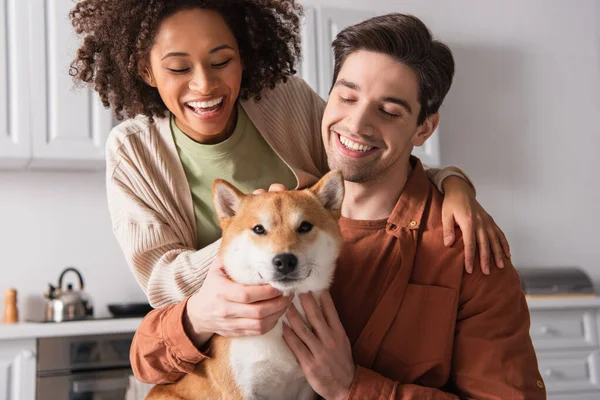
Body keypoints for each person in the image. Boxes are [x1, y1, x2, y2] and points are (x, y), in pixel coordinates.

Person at [69, 0, 511, 380]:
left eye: (222, 61)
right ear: (146, 69)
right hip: (223, 343)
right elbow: (162, 287)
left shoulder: (284, 99)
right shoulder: (133, 150)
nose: (203, 84)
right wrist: (253, 225)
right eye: (179, 67)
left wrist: (451, 182)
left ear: (244, 55)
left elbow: (361, 160)